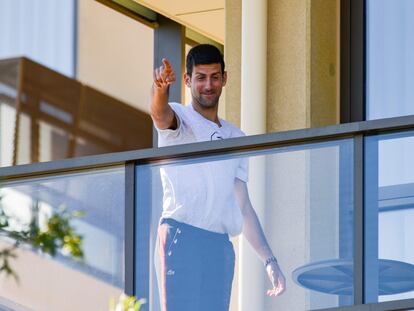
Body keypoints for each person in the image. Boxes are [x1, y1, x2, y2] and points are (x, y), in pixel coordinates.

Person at [151, 44, 285, 311]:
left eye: (214, 77)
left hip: (219, 246)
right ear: (188, 80)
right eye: (200, 77)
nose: (208, 85)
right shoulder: (181, 117)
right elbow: (160, 114)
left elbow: (243, 206)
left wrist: (269, 261)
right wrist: (160, 89)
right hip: (181, 236)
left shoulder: (236, 137)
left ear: (225, 78)